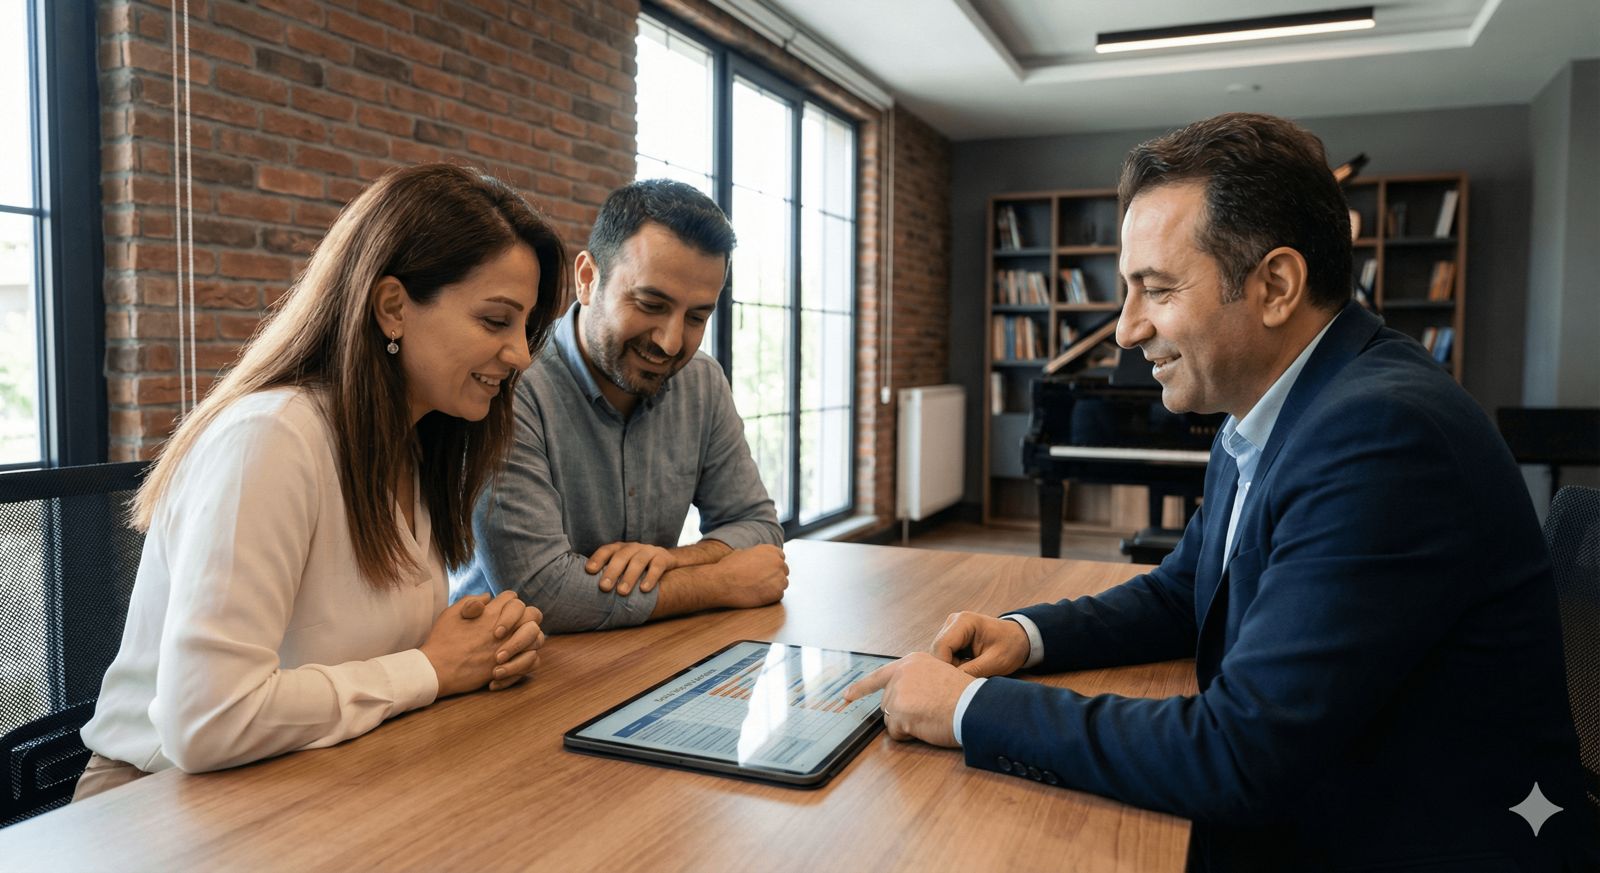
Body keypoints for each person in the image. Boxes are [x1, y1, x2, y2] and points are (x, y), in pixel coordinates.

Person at [844, 114, 1598, 870]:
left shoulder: (1381, 435)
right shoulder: (1275, 405)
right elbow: (1186, 595)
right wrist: (1028, 634)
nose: (1125, 331)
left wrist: (967, 708)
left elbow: (1237, 754)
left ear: (1275, 284)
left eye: (1157, 289)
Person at [76, 164, 564, 799]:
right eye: (496, 321)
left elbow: (353, 651)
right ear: (393, 307)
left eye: (527, 328)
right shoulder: (270, 439)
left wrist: (478, 645)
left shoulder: (413, 442)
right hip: (159, 804)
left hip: (313, 777)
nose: (523, 355)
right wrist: (430, 669)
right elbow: (207, 721)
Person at [455, 179, 786, 633]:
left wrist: (675, 560)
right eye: (651, 304)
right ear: (588, 279)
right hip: (507, 667)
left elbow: (756, 525)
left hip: (639, 653)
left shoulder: (702, 382)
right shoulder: (510, 381)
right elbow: (544, 591)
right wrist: (720, 581)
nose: (671, 342)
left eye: (697, 317)